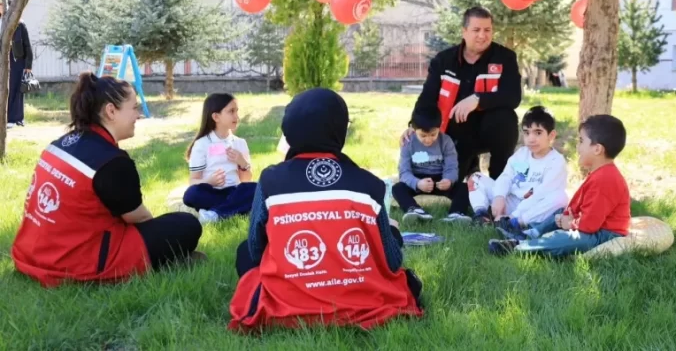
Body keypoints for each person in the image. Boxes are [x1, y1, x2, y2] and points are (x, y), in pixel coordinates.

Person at [229, 88, 422, 333]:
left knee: (244, 251)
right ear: (340, 130)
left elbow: (256, 249)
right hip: (363, 301)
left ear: (290, 130)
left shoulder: (270, 180)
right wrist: (393, 234)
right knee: (390, 238)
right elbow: (393, 263)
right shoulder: (370, 184)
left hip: (287, 306)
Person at [11, 73, 205, 288]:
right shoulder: (112, 162)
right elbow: (139, 218)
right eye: (134, 108)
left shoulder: (61, 143)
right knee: (187, 225)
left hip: (30, 253)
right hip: (74, 263)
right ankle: (162, 261)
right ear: (111, 111)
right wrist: (158, 241)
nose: (138, 115)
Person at [401, 6, 522, 216]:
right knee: (446, 185)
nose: (483, 35)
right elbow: (427, 98)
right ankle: (471, 169)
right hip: (455, 136)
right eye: (476, 30)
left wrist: (478, 99)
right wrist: (414, 126)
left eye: (487, 30)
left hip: (491, 130)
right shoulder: (443, 60)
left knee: (507, 118)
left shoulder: (505, 58)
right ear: (464, 31)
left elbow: (513, 96)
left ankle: (498, 186)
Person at [488, 115, 631, 257]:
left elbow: (589, 225)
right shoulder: (600, 173)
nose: (577, 146)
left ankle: (520, 247)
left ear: (597, 149)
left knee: (571, 239)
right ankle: (528, 234)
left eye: (581, 141)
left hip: (604, 234)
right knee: (560, 212)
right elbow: (585, 208)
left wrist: (570, 223)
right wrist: (567, 216)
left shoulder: (606, 179)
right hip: (592, 225)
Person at [468, 106, 568, 228]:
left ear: (551, 135)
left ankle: (512, 223)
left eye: (538, 133)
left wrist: (514, 216)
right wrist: (500, 197)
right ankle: (482, 216)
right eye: (527, 133)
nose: (531, 139)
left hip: (531, 208)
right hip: (512, 201)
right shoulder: (522, 154)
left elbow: (540, 194)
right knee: (476, 178)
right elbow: (507, 177)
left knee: (560, 198)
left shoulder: (556, 161)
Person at [183, 93, 257, 225]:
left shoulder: (240, 143)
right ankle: (234, 208)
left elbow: (246, 180)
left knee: (256, 188)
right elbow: (193, 180)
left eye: (237, 111)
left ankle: (214, 214)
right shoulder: (202, 144)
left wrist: (242, 163)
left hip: (235, 191)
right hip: (212, 193)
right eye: (231, 111)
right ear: (216, 117)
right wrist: (209, 181)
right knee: (191, 194)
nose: (236, 116)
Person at [393, 104, 465, 222]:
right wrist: (417, 183)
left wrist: (448, 180)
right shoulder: (408, 142)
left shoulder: (446, 141)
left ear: (439, 127)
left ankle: (456, 213)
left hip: (440, 180)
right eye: (423, 135)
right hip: (417, 180)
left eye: (433, 134)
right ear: (414, 129)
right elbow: (404, 172)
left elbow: (452, 167)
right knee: (397, 188)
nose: (428, 139)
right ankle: (415, 210)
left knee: (463, 187)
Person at [2, 1, 33, 128]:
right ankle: (7, 117)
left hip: (17, 61)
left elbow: (27, 46)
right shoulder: (2, 23)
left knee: (16, 89)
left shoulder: (20, 25)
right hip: (4, 61)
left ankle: (16, 118)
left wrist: (28, 65)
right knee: (5, 89)